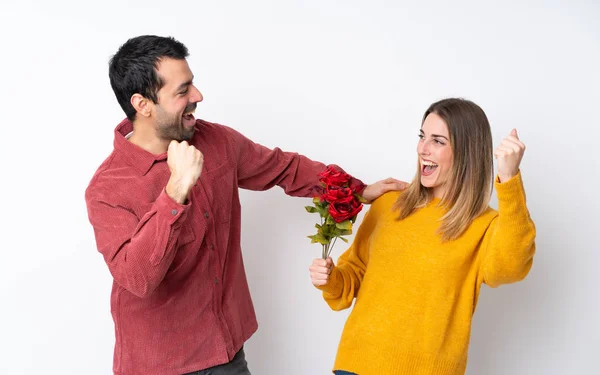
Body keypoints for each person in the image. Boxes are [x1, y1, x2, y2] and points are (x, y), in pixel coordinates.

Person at [84, 35, 405, 375]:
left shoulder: (217, 141)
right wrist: (176, 189)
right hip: (159, 364)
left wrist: (355, 190)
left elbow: (284, 167)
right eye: (183, 91)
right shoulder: (108, 188)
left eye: (192, 84)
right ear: (143, 104)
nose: (198, 96)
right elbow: (138, 279)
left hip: (225, 353)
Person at [309, 98, 536, 375]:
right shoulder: (388, 203)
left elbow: (510, 269)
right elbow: (353, 274)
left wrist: (509, 177)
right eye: (422, 136)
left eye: (438, 141)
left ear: (466, 152)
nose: (422, 148)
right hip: (357, 364)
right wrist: (330, 278)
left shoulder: (485, 225)